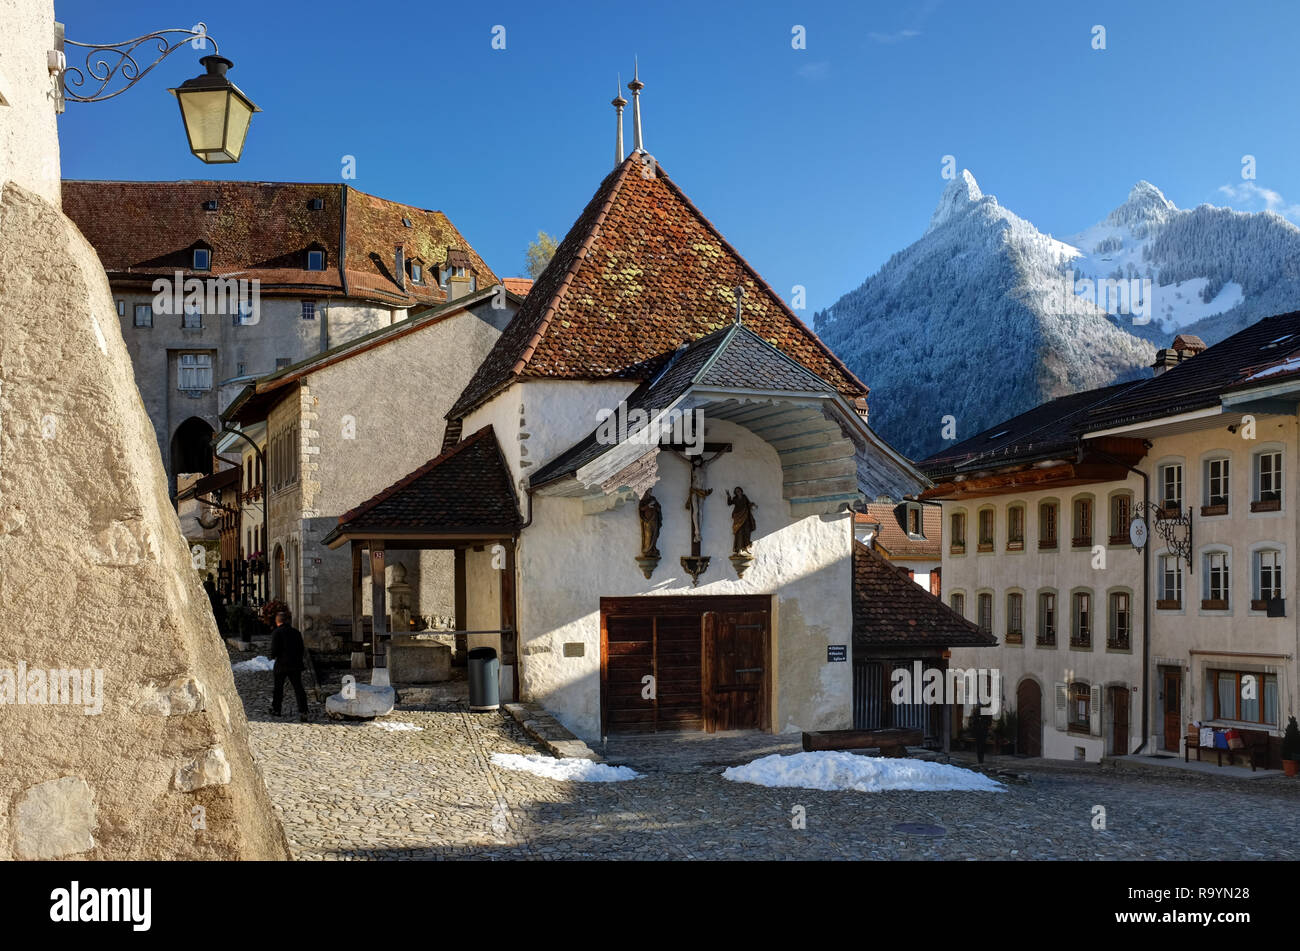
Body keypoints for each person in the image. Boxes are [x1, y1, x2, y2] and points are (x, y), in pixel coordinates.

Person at [269, 609, 309, 722]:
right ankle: (303, 710)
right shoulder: (296, 632)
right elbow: (301, 648)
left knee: (278, 688)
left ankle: (276, 709)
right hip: (295, 664)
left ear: (277, 622)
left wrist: (273, 656)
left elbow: (274, 650)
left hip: (281, 664)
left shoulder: (277, 633)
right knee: (298, 688)